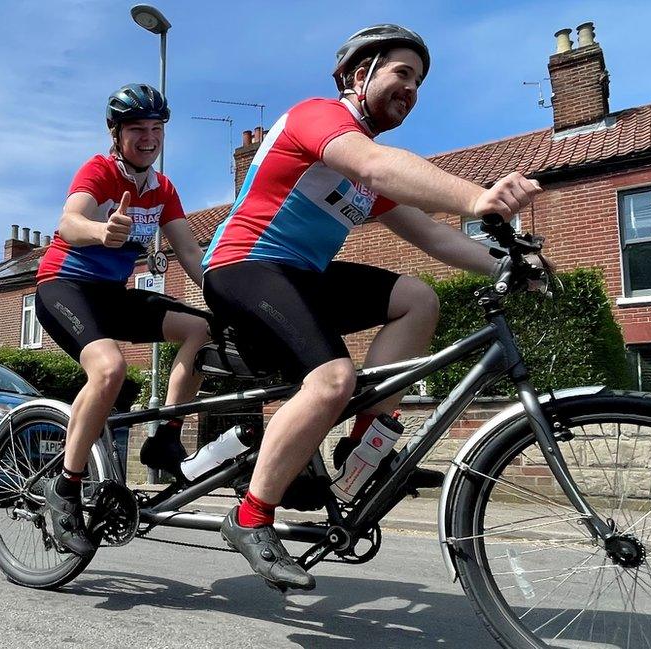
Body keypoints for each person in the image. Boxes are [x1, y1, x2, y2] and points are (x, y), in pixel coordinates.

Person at [201, 25, 548, 590]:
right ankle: (250, 517)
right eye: (401, 74)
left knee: (417, 298)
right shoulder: (317, 118)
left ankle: (368, 443)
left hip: (303, 278)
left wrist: (511, 266)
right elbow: (375, 165)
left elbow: (435, 239)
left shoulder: (367, 176)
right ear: (359, 76)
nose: (412, 89)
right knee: (334, 377)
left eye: (419, 82)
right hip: (245, 265)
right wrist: (477, 198)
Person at [35, 83, 208, 556]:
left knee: (203, 329)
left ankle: (166, 440)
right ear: (116, 134)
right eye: (138, 130)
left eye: (157, 129)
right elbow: (69, 222)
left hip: (111, 294)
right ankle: (66, 489)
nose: (149, 138)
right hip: (64, 286)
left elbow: (190, 251)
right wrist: (101, 230)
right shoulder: (99, 171)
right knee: (110, 369)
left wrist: (225, 293)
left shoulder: (162, 188)